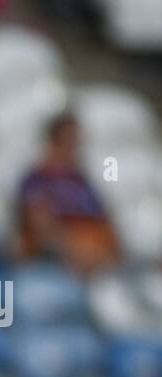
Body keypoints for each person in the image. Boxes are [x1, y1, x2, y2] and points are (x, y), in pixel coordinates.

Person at [16, 112, 120, 275]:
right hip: (52, 268)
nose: (74, 148)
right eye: (69, 141)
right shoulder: (37, 181)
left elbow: (106, 224)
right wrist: (75, 251)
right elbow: (41, 229)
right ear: (53, 142)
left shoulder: (82, 182)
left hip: (94, 267)